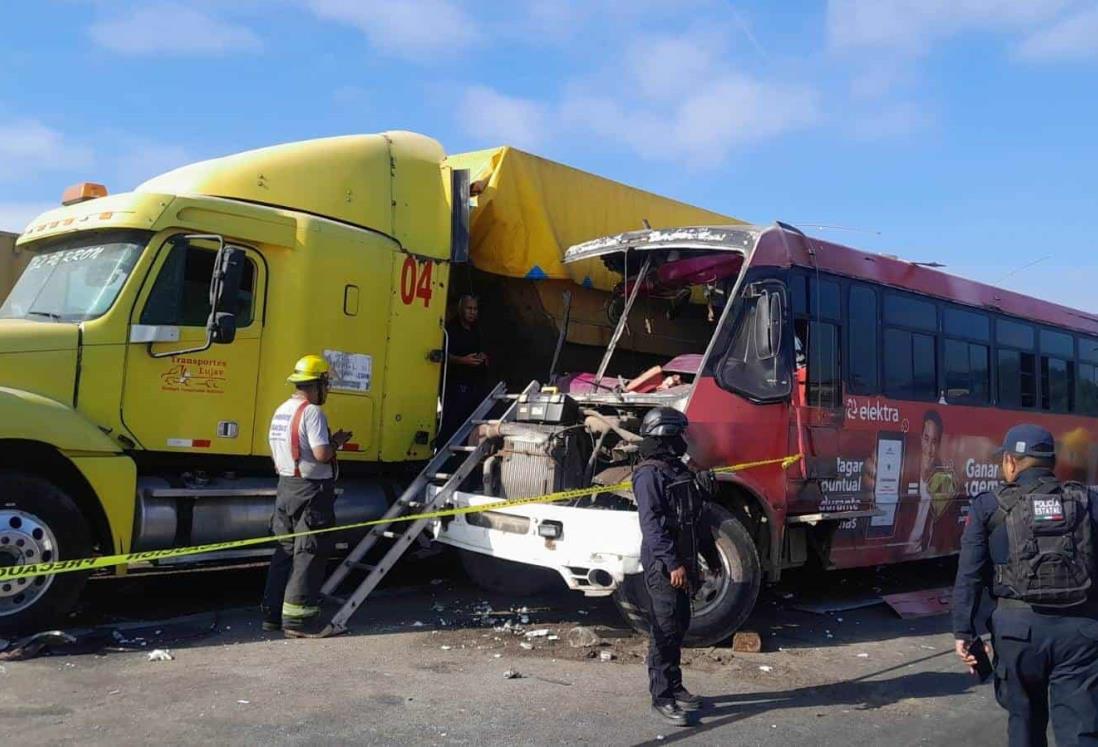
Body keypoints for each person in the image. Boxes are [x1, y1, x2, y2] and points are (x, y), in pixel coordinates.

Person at [952, 424, 1098, 746]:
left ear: (1010, 462)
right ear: (1052, 462)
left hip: (1016, 634)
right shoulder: (1087, 501)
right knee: (1080, 729)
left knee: (1024, 725)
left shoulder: (988, 507)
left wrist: (965, 632)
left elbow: (970, 575)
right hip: (1080, 632)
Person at [632, 407, 721, 727]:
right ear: (666, 437)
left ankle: (674, 685)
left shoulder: (678, 470)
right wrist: (672, 564)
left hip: (684, 562)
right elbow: (652, 526)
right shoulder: (649, 474)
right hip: (664, 566)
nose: (685, 440)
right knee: (665, 630)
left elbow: (696, 519)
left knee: (679, 625)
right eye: (679, 434)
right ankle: (661, 698)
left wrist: (710, 559)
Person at [261, 354, 352, 638]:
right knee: (309, 553)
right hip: (310, 491)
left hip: (286, 486)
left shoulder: (281, 410)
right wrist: (336, 441)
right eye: (326, 384)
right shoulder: (312, 412)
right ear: (318, 383)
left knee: (284, 551)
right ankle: (300, 622)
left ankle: (273, 616)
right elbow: (322, 454)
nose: (327, 390)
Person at [438, 294, 489, 444]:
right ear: (461, 309)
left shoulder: (476, 330)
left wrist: (483, 357)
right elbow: (442, 355)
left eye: (475, 309)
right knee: (451, 424)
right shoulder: (450, 330)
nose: (472, 312)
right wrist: (462, 360)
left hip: (474, 384)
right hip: (454, 386)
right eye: (469, 308)